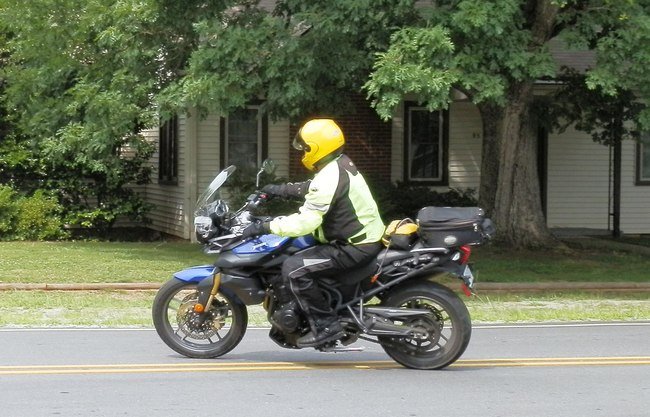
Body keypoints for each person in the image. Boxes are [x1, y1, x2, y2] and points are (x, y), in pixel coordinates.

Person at [240, 118, 385, 347]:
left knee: (294, 268)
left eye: (305, 147)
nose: (303, 152)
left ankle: (327, 326)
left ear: (316, 148)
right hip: (362, 239)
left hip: (354, 247)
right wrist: (277, 190)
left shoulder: (329, 176)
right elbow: (310, 188)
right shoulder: (338, 165)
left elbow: (305, 222)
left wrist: (265, 226)